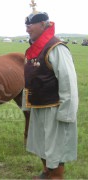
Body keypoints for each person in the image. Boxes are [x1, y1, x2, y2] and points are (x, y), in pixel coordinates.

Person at [22, 1, 79, 179]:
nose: (28, 27)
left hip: (55, 108)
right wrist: (27, 105)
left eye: (32, 23)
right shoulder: (32, 50)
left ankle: (56, 177)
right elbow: (30, 80)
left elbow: (68, 82)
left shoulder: (57, 48)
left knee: (56, 148)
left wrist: (66, 113)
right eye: (26, 24)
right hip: (38, 107)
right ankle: (46, 173)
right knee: (41, 144)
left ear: (44, 24)